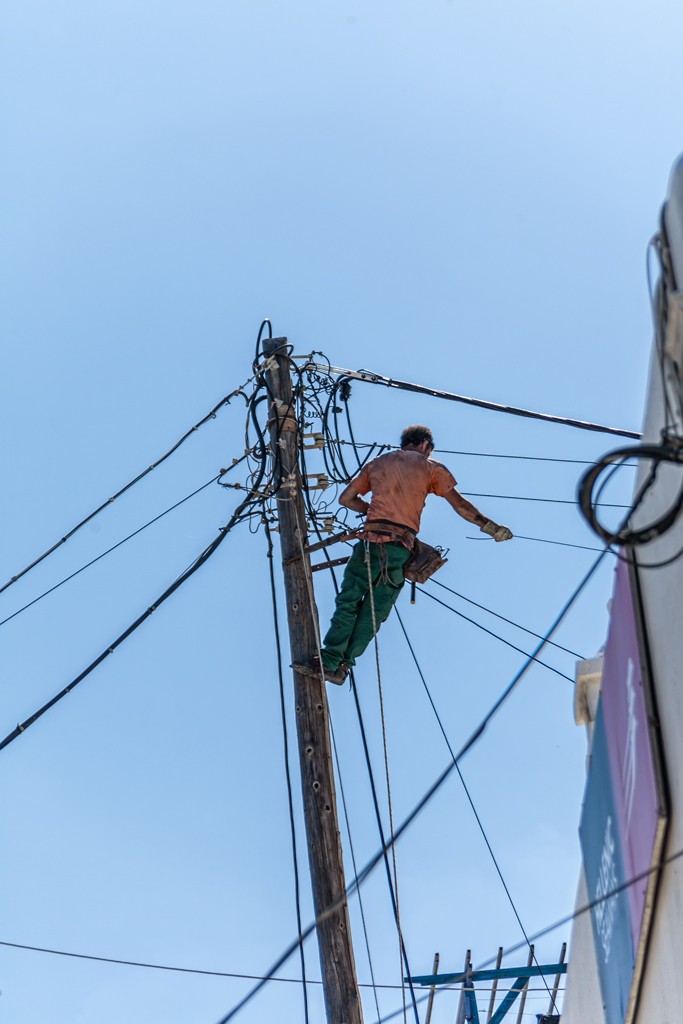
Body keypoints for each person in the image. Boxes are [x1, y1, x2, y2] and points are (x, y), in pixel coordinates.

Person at [296, 425, 513, 684]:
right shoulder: (431, 467)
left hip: (369, 544)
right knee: (374, 612)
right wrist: (491, 527)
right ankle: (341, 666)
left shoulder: (378, 463)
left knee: (349, 601)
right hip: (399, 550)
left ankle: (330, 659)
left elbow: (346, 498)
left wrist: (372, 510)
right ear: (425, 445)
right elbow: (460, 505)